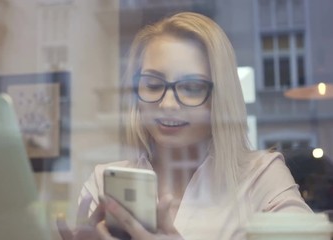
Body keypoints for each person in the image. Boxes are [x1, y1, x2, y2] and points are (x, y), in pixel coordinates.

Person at [56, 12, 312, 240]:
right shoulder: (105, 183)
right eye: (153, 85)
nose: (167, 104)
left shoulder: (261, 177)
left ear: (221, 98)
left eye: (191, 88)